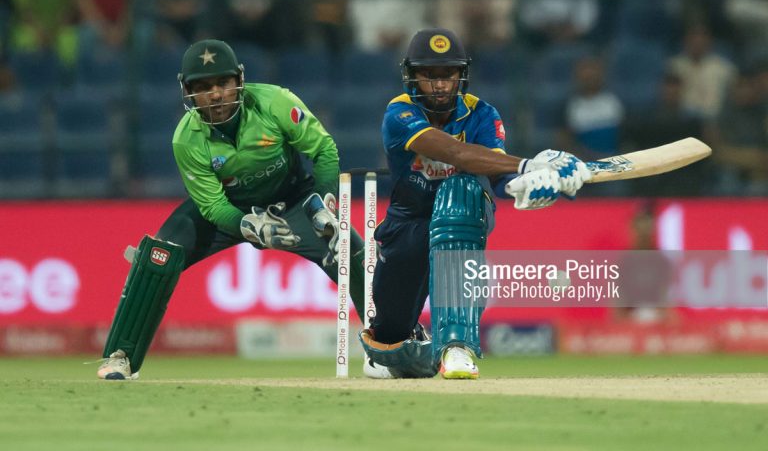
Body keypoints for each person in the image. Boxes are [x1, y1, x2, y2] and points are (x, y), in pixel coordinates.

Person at [97, 39, 370, 380]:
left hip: (294, 199)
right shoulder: (187, 139)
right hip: (230, 209)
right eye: (202, 87)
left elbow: (324, 151)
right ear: (187, 91)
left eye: (222, 83)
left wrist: (326, 204)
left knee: (348, 248)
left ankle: (388, 345)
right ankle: (122, 356)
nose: (215, 95)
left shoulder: (275, 103)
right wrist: (248, 224)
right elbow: (211, 205)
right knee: (157, 256)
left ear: (239, 80)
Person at [359, 28, 592, 379]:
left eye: (447, 75)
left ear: (461, 75)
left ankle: (456, 346)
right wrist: (528, 165)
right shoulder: (399, 114)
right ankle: (408, 347)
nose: (439, 85)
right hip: (409, 222)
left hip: (463, 216)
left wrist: (534, 184)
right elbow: (456, 152)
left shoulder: (482, 114)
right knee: (392, 337)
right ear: (412, 75)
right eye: (429, 75)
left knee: (461, 191)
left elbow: (499, 178)